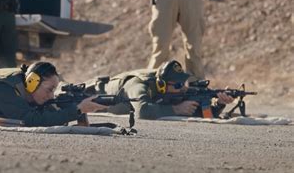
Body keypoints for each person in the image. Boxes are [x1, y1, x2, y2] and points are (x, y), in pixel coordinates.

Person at [84, 60, 235, 120]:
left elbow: (205, 115)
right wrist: (176, 109)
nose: (183, 89)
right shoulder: (138, 85)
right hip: (93, 92)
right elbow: (142, 111)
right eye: (177, 85)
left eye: (182, 83)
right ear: (162, 85)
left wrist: (219, 103)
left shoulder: (175, 92)